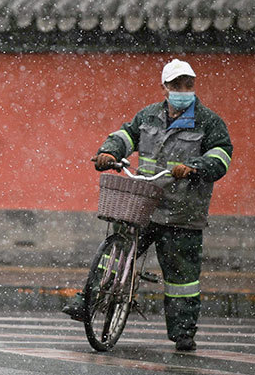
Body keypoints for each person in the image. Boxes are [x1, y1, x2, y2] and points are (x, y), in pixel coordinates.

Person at [62, 58, 232, 352]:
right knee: (113, 257)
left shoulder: (209, 122)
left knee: (182, 279)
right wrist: (108, 152)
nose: (183, 90)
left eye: (187, 84)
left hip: (182, 212)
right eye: (177, 85)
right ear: (165, 87)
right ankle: (87, 301)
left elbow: (222, 155)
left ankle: (183, 332)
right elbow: (126, 135)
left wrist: (195, 167)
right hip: (143, 203)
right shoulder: (149, 116)